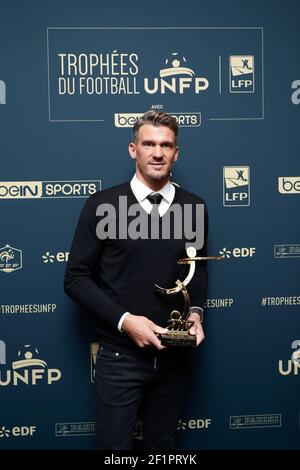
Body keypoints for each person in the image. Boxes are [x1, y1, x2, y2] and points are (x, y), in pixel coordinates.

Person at [64, 110, 208, 450]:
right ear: (133, 150)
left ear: (176, 153)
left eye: (166, 145)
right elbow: (75, 278)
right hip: (119, 358)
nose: (157, 153)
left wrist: (197, 314)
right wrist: (126, 321)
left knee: (163, 448)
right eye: (149, 144)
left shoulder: (194, 207)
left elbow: (197, 270)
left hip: (175, 357)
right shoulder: (102, 206)